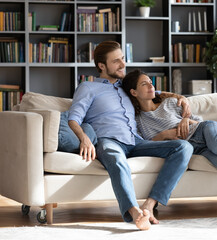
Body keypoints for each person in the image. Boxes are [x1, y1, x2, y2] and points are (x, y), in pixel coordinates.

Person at [68, 41, 194, 231]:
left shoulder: (127, 87)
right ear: (102, 66)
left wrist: (181, 98)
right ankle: (135, 213)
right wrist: (84, 138)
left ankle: (150, 205)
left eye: (123, 59)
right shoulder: (88, 87)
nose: (123, 64)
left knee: (184, 147)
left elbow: (156, 93)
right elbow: (73, 119)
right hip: (108, 141)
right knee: (117, 160)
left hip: (136, 141)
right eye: (116, 61)